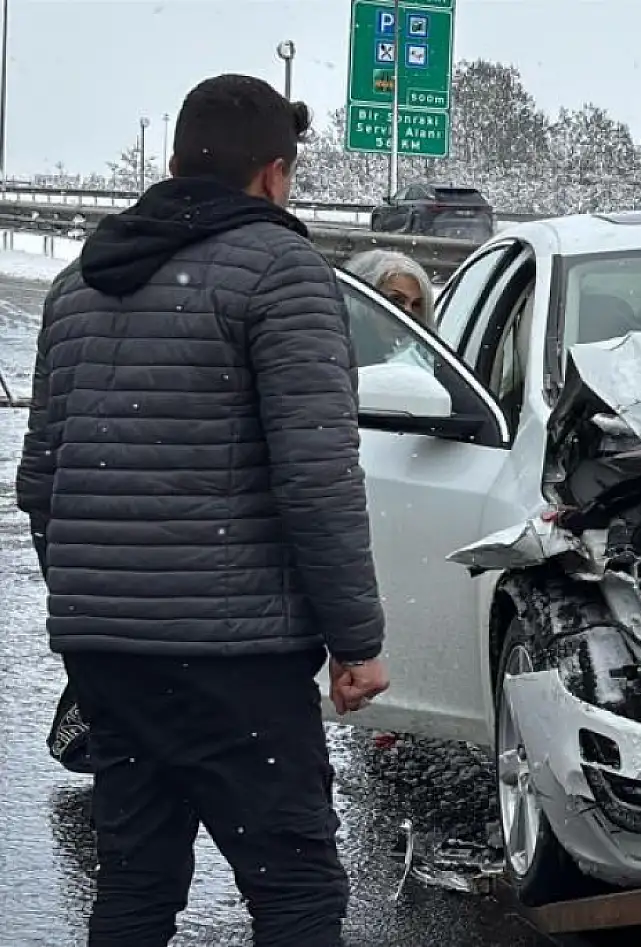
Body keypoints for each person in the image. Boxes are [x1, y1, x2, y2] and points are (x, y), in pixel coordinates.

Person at [14, 74, 389, 947]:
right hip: (237, 657)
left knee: (137, 886)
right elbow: (317, 477)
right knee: (297, 892)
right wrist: (357, 641)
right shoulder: (284, 273)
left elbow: (41, 482)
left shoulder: (78, 287)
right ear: (272, 175)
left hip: (111, 655)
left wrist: (99, 606)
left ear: (177, 162)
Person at [345, 247, 437, 330]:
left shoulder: (422, 345)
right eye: (396, 300)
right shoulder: (341, 345)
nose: (408, 313)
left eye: (416, 305)